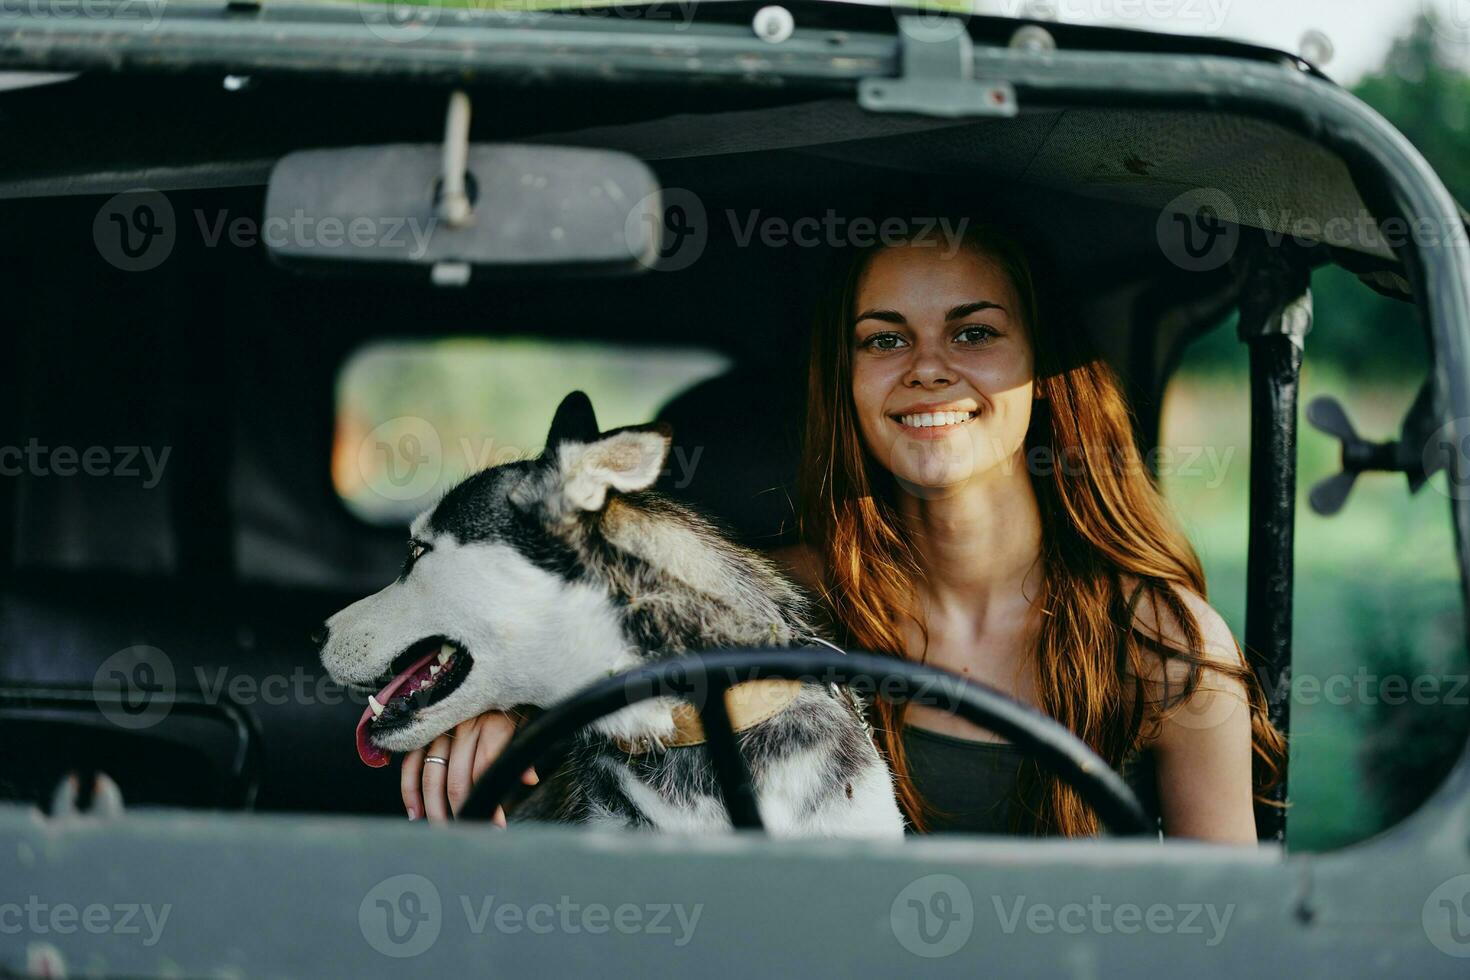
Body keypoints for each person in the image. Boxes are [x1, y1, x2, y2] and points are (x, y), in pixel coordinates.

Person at [401, 223, 1283, 841]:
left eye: (973, 331)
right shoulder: (781, 608)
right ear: (849, 384)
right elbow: (597, 648)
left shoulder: (1160, 642)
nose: (929, 368)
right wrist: (504, 710)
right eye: (884, 340)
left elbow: (1228, 938)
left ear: (1043, 370)